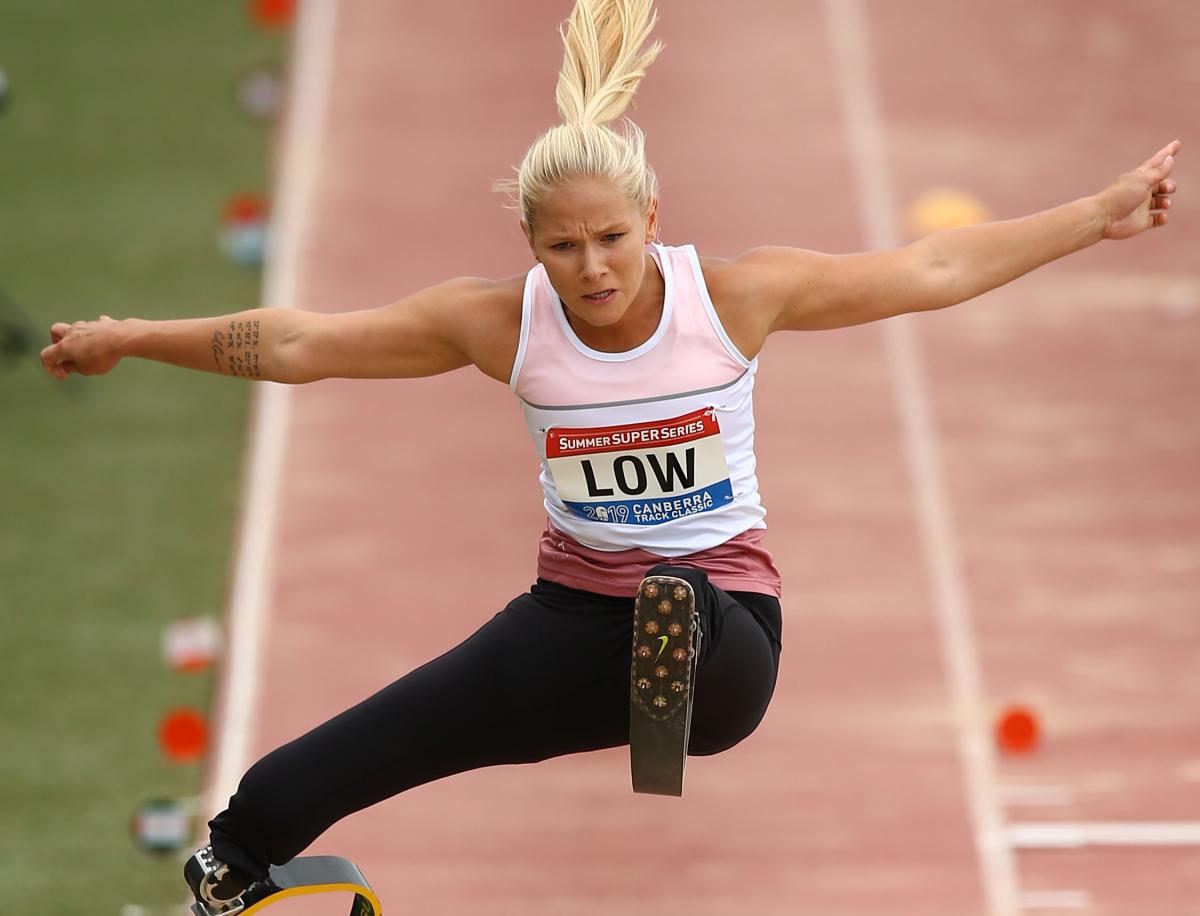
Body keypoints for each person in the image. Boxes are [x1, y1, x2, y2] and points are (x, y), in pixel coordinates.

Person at [41, 0, 1179, 911]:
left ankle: (668, 653)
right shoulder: (501, 321)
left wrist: (1098, 212)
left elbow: (928, 270)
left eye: (613, 238)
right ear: (529, 245)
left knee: (679, 596)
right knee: (296, 781)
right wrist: (137, 338)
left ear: (653, 214)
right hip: (569, 621)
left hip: (726, 634)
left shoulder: (732, 298)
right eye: (564, 246)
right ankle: (228, 873)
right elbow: (299, 344)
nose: (592, 268)